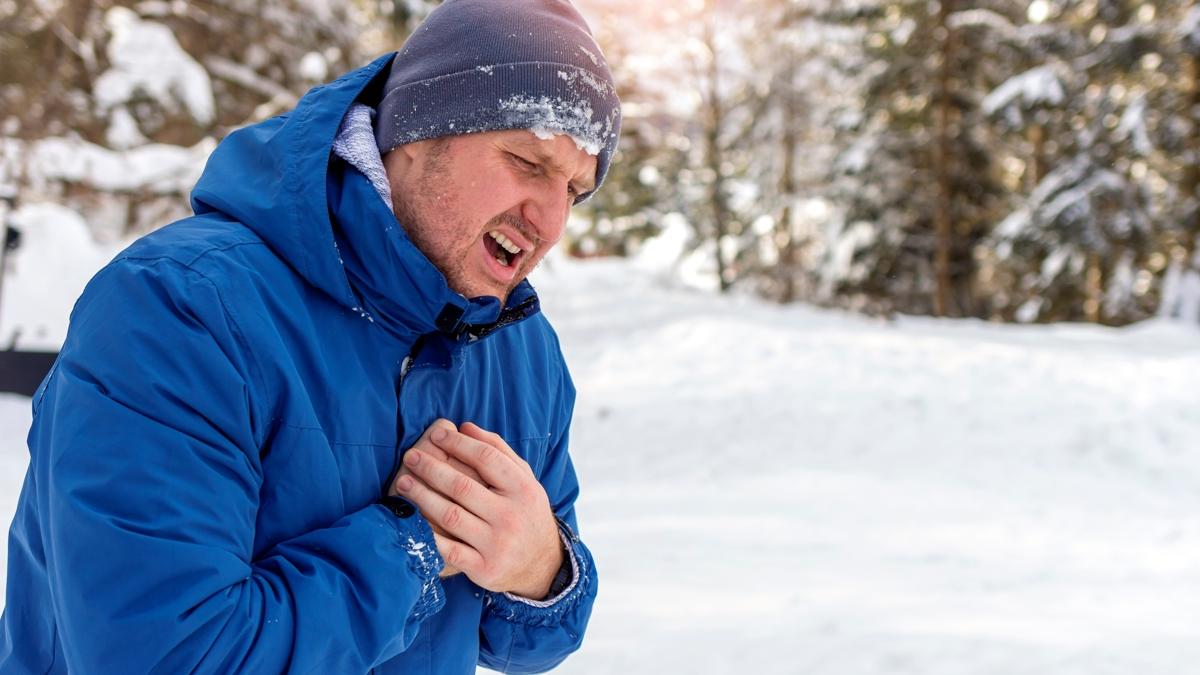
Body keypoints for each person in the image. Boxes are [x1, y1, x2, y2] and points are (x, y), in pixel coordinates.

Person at [0, 0, 620, 672]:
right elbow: (164, 656)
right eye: (529, 162)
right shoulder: (179, 308)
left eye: (575, 190)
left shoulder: (519, 350)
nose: (552, 221)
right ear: (418, 132)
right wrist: (408, 547)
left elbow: (529, 639)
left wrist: (543, 568)